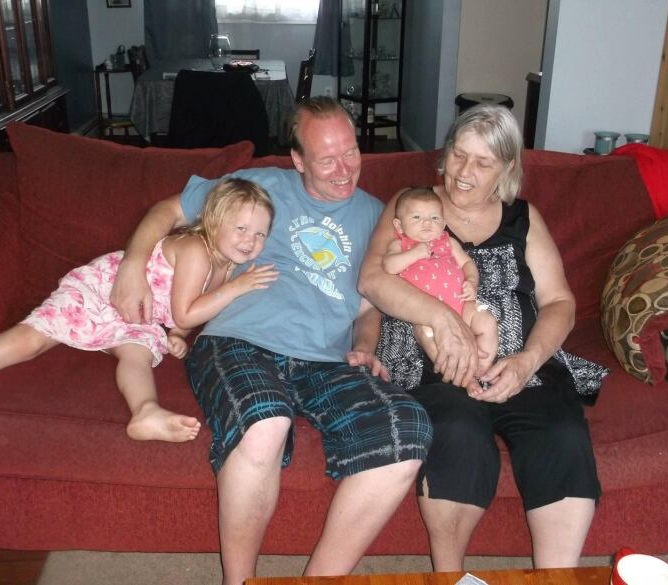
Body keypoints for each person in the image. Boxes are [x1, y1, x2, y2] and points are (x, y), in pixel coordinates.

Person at [107, 96, 432, 585]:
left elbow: (369, 303)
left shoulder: (378, 215)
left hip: (326, 360)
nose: (345, 169)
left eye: (351, 152)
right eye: (327, 159)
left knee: (407, 430)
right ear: (297, 160)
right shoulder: (261, 186)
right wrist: (133, 263)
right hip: (239, 341)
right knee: (266, 421)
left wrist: (365, 344)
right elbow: (169, 209)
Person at [359, 104, 607, 570]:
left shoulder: (524, 218)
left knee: (562, 434)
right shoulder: (414, 206)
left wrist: (527, 361)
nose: (464, 172)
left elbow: (560, 303)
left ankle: (556, 578)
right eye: (458, 154)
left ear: (507, 169)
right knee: (457, 433)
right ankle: (450, 576)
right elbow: (373, 280)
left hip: (519, 369)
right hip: (433, 365)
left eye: (483, 162)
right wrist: (443, 319)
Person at [0, 178, 278, 444]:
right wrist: (229, 293)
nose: (250, 241)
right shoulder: (196, 250)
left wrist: (179, 334)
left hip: (140, 316)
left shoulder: (230, 266)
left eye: (260, 234)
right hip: (106, 291)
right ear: (214, 222)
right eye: (241, 229)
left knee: (137, 355)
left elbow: (189, 309)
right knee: (31, 340)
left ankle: (145, 411)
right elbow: (185, 311)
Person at [384, 186, 498, 375]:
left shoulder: (448, 243)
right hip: (426, 315)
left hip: (462, 304)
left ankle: (482, 368)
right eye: (416, 217)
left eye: (435, 218)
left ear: (444, 223)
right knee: (432, 343)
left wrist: (471, 281)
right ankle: (462, 377)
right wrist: (414, 254)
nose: (427, 223)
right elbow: (389, 266)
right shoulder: (400, 245)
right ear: (399, 225)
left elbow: (467, 263)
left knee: (488, 323)